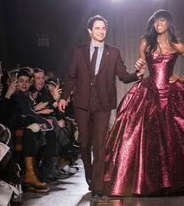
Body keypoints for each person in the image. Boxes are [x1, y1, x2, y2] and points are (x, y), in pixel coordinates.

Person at [103, 10, 184, 196]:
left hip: (172, 94)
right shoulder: (146, 42)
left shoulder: (177, 45)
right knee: (145, 136)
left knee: (178, 137)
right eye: (155, 21)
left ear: (168, 23)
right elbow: (141, 67)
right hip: (149, 92)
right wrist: (139, 67)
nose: (157, 24)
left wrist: (182, 77)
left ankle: (183, 180)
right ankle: (145, 181)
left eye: (161, 20)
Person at [58, 15, 143, 198]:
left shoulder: (113, 52)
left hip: (103, 103)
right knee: (84, 143)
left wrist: (137, 74)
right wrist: (64, 97)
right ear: (90, 31)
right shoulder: (79, 52)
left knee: (99, 145)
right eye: (97, 28)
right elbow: (72, 76)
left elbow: (123, 75)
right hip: (82, 103)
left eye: (103, 28)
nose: (101, 31)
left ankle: (97, 186)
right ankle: (90, 174)